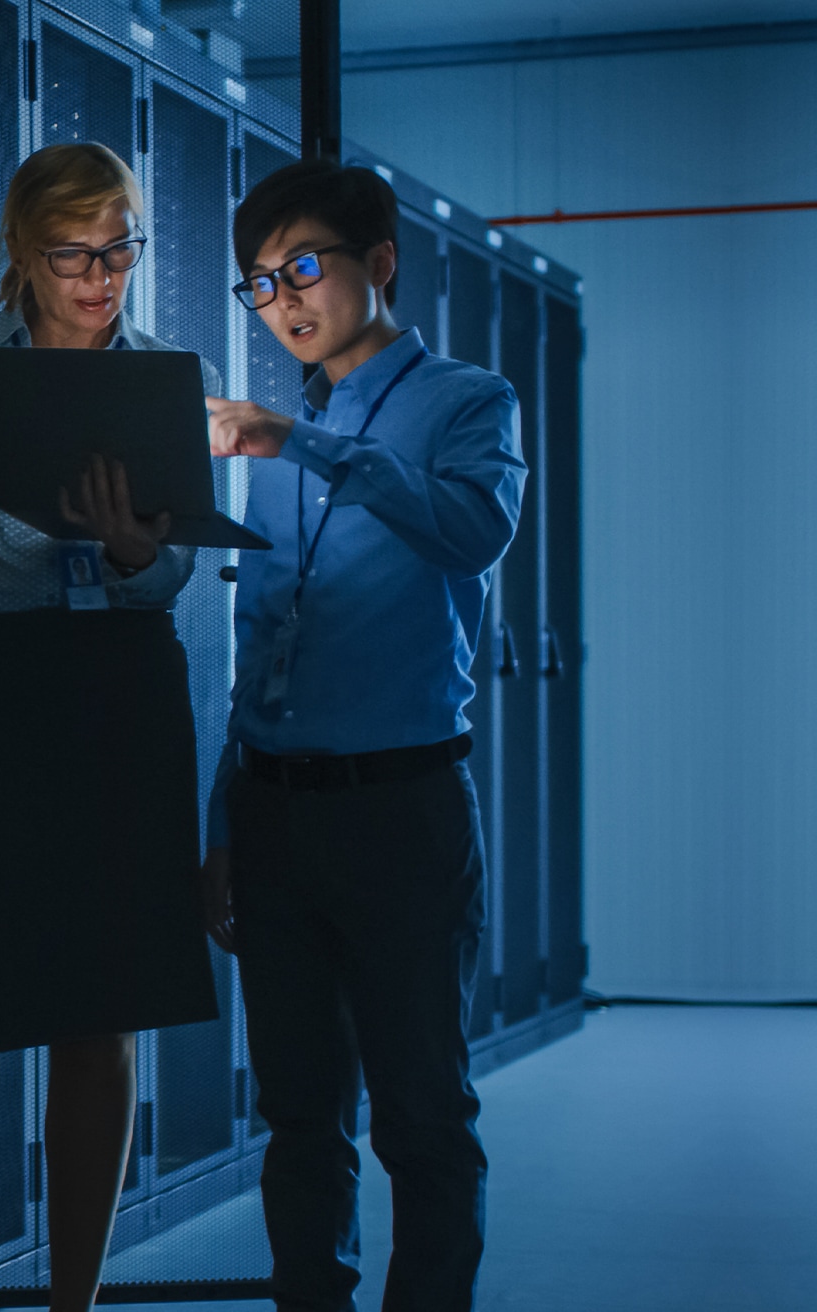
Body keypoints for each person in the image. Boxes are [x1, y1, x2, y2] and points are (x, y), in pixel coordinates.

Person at [0, 142, 223, 1312]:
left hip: (117, 682)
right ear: (19, 250)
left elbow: (170, 573)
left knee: (99, 1014)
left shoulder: (164, 372)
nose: (99, 278)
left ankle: (74, 1305)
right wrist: (5, 445)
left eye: (119, 251)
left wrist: (130, 552)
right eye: (72, 255)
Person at [202, 158, 526, 1312]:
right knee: (296, 1115)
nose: (280, 301)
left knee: (420, 1114)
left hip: (399, 810)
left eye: (299, 268)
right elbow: (261, 644)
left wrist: (303, 445)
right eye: (257, 283)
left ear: (378, 262)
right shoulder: (277, 431)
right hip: (273, 812)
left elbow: (470, 531)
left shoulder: (466, 400)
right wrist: (222, 819)